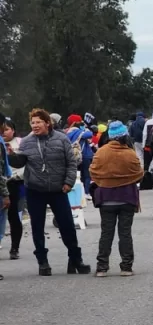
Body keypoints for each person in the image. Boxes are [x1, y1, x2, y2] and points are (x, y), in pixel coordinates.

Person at [7, 109, 91, 276]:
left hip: (58, 189)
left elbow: (71, 162)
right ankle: (43, 262)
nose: (35, 125)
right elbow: (20, 162)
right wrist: (11, 156)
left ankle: (75, 259)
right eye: (32, 122)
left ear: (47, 123)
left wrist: (68, 182)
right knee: (37, 227)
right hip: (35, 190)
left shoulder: (61, 139)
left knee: (67, 225)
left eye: (38, 122)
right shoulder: (27, 141)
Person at [90, 122, 143, 277]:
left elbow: (93, 171)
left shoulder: (101, 152)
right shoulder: (130, 153)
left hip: (106, 198)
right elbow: (139, 173)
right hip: (127, 198)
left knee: (106, 233)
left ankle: (102, 267)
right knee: (125, 233)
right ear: (124, 135)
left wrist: (105, 181)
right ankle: (126, 267)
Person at [2, 118, 24, 258]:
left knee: (13, 216)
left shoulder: (20, 143)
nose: (4, 132)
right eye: (2, 129)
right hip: (1, 183)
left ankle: (14, 248)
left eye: (7, 129)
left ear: (13, 130)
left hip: (14, 183)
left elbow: (24, 164)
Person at [66, 114, 95, 198]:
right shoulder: (80, 132)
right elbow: (90, 134)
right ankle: (86, 192)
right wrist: (85, 127)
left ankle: (74, 192)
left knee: (75, 175)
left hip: (72, 156)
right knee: (86, 175)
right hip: (84, 155)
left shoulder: (67, 132)